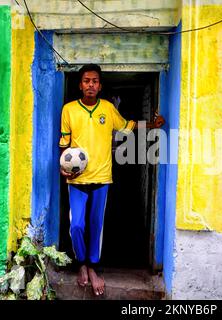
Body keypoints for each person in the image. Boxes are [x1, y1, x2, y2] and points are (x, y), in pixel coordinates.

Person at [59, 64, 165, 296]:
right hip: (77, 180)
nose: (90, 85)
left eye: (95, 81)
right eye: (86, 81)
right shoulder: (69, 110)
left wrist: (152, 125)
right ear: (80, 85)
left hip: (102, 177)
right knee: (77, 225)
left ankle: (93, 268)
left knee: (96, 226)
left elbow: (129, 126)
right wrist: (63, 168)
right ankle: (81, 264)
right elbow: (64, 144)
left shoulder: (107, 108)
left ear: (99, 85)